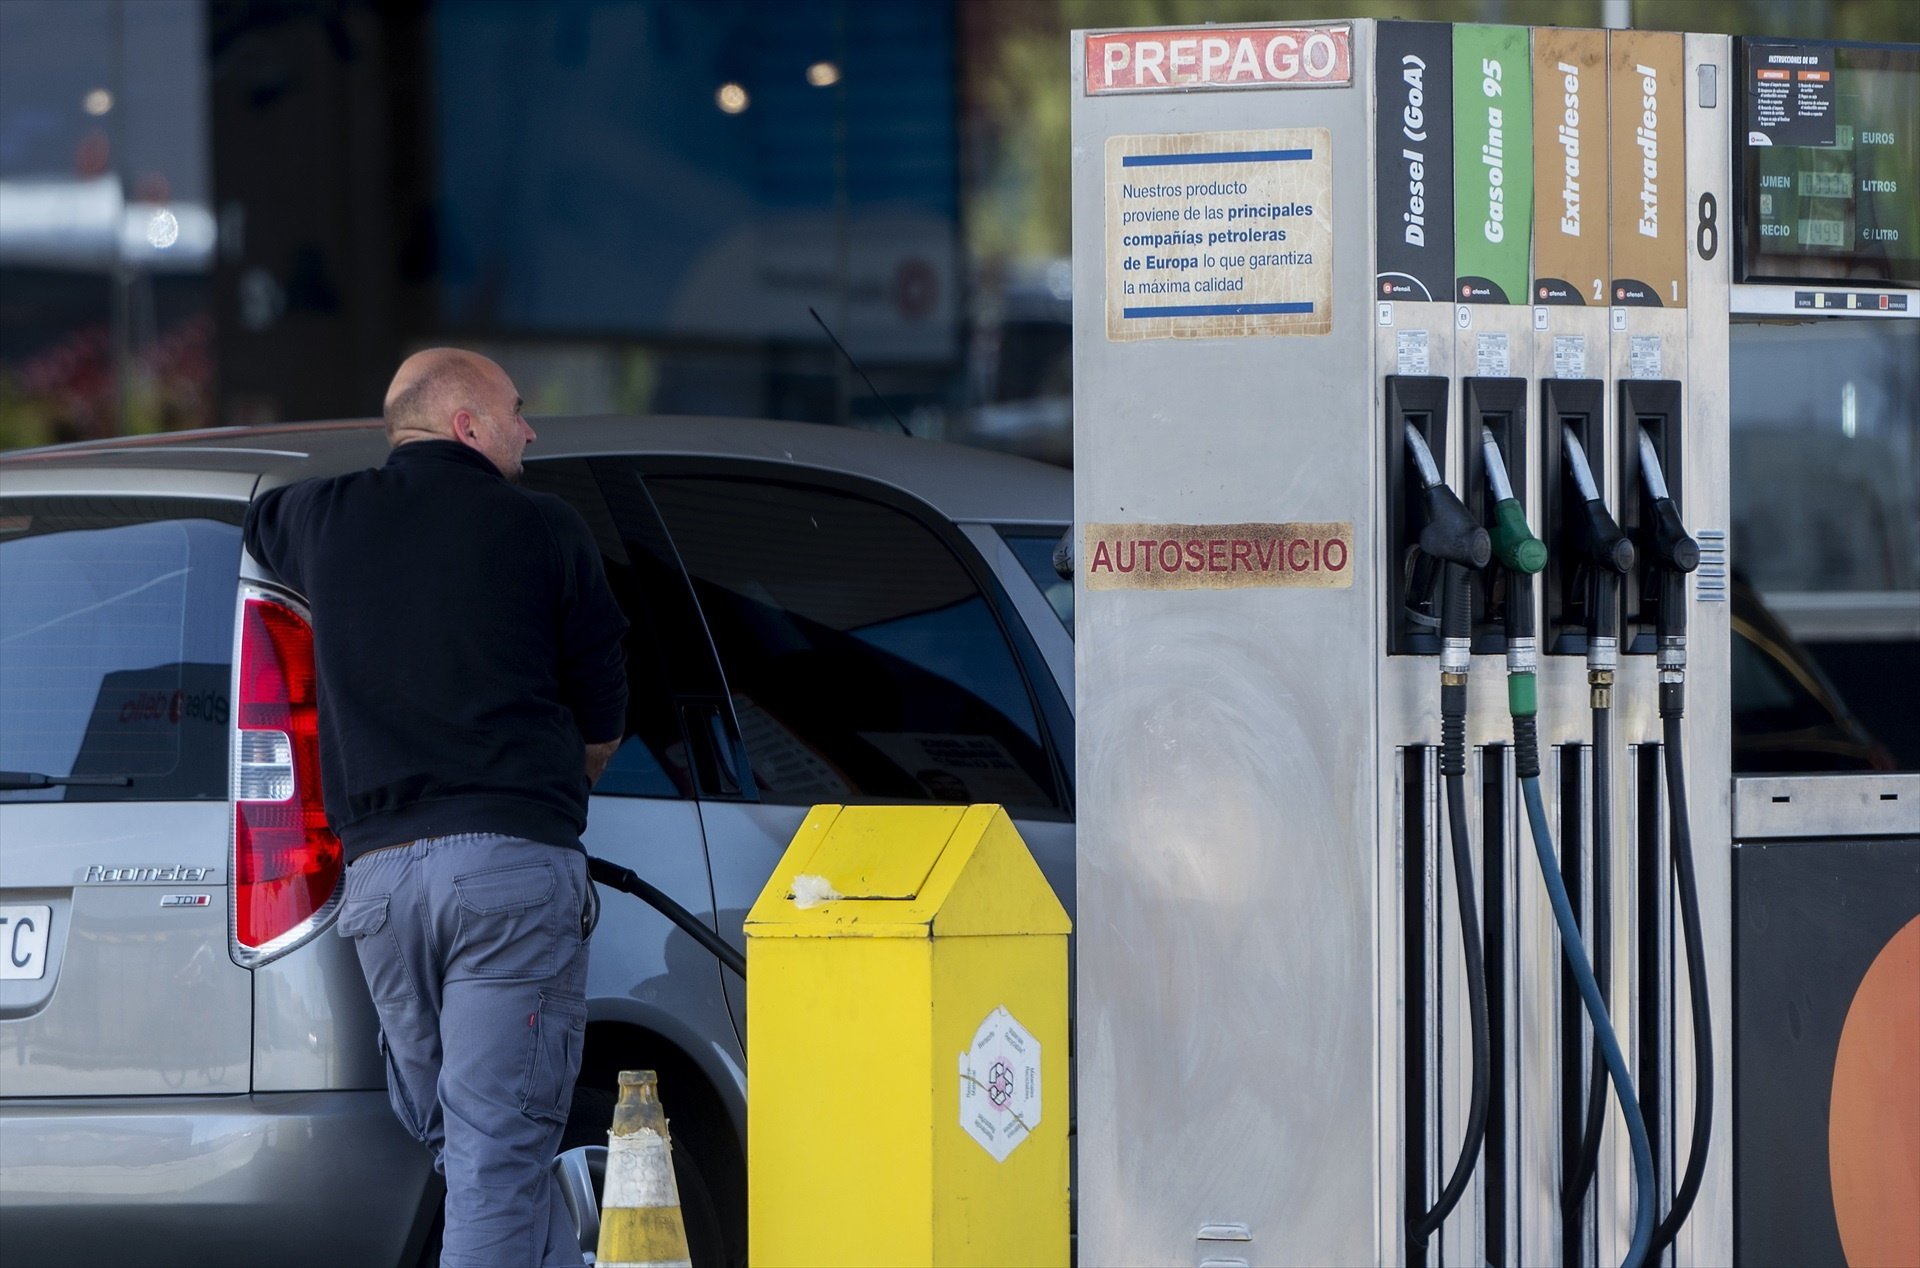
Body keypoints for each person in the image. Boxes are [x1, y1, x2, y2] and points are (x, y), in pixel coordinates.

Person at [244, 348, 628, 1267]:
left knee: (477, 1156)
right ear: (468, 425)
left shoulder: (322, 518)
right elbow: (604, 722)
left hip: (379, 889)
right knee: (496, 1157)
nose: (530, 429)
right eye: (518, 411)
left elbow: (257, 520)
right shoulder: (544, 528)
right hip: (506, 875)